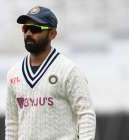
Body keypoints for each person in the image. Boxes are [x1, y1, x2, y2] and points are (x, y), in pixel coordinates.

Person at [6, 6, 96, 140]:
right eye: (25, 28)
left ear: (52, 34)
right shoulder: (14, 73)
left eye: (36, 29)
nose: (29, 33)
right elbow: (12, 123)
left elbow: (86, 114)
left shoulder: (69, 70)